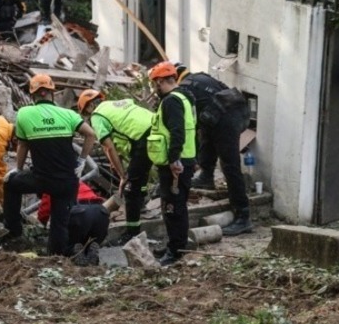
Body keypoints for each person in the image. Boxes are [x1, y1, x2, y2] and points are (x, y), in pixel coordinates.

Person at [3, 74, 96, 256]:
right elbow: (91, 134)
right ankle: (56, 259)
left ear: (33, 95)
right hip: (67, 181)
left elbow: (23, 145)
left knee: (11, 184)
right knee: (59, 223)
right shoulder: (68, 114)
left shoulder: (24, 114)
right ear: (52, 93)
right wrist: (82, 161)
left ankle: (13, 230)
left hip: (42, 179)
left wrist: (18, 170)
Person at [175, 63, 252, 236]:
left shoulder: (184, 89)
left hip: (228, 118)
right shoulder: (198, 77)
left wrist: (187, 158)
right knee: (207, 134)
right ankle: (206, 176)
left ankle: (243, 215)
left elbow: (188, 126)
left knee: (230, 166)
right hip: (231, 111)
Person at [77, 89, 154, 245]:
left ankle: (132, 233)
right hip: (157, 128)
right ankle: (142, 204)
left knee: (130, 188)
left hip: (142, 139)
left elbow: (109, 148)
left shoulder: (97, 117)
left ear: (88, 108)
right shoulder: (118, 104)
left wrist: (122, 175)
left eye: (86, 114)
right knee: (141, 173)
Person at [147, 62, 196, 266]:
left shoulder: (171, 102)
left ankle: (176, 250)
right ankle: (175, 245)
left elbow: (178, 132)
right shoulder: (184, 98)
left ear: (160, 81)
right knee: (176, 206)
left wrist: (174, 159)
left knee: (172, 207)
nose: (154, 88)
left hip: (176, 163)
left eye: (154, 83)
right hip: (184, 159)